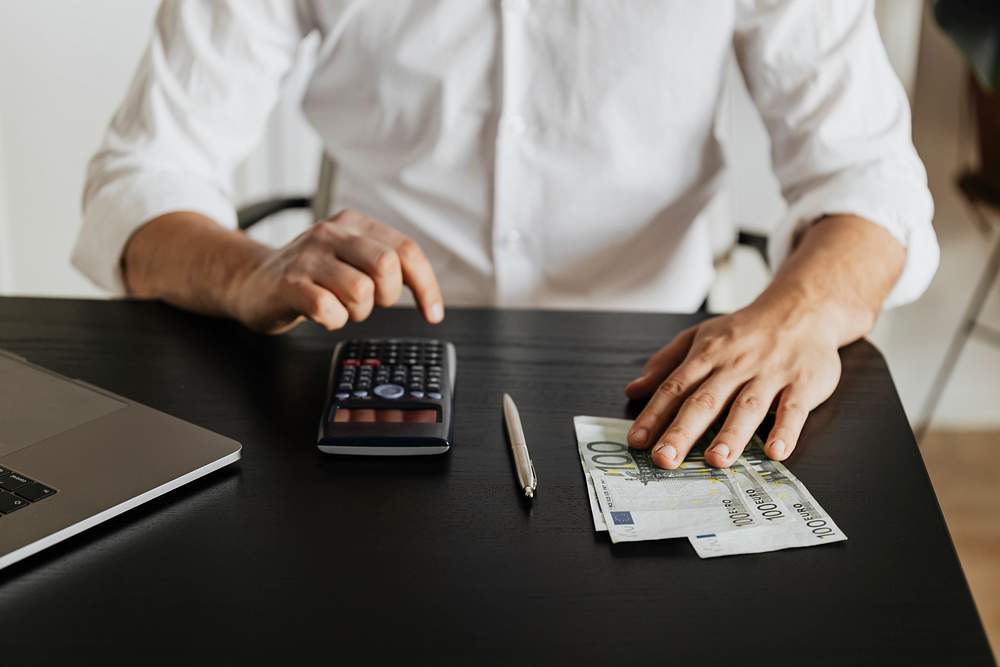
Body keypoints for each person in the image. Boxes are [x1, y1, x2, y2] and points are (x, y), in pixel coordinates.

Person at [73, 1, 937, 471]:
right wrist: (250, 266)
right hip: (371, 373)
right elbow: (140, 179)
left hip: (659, 359)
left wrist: (799, 310)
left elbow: (869, 178)